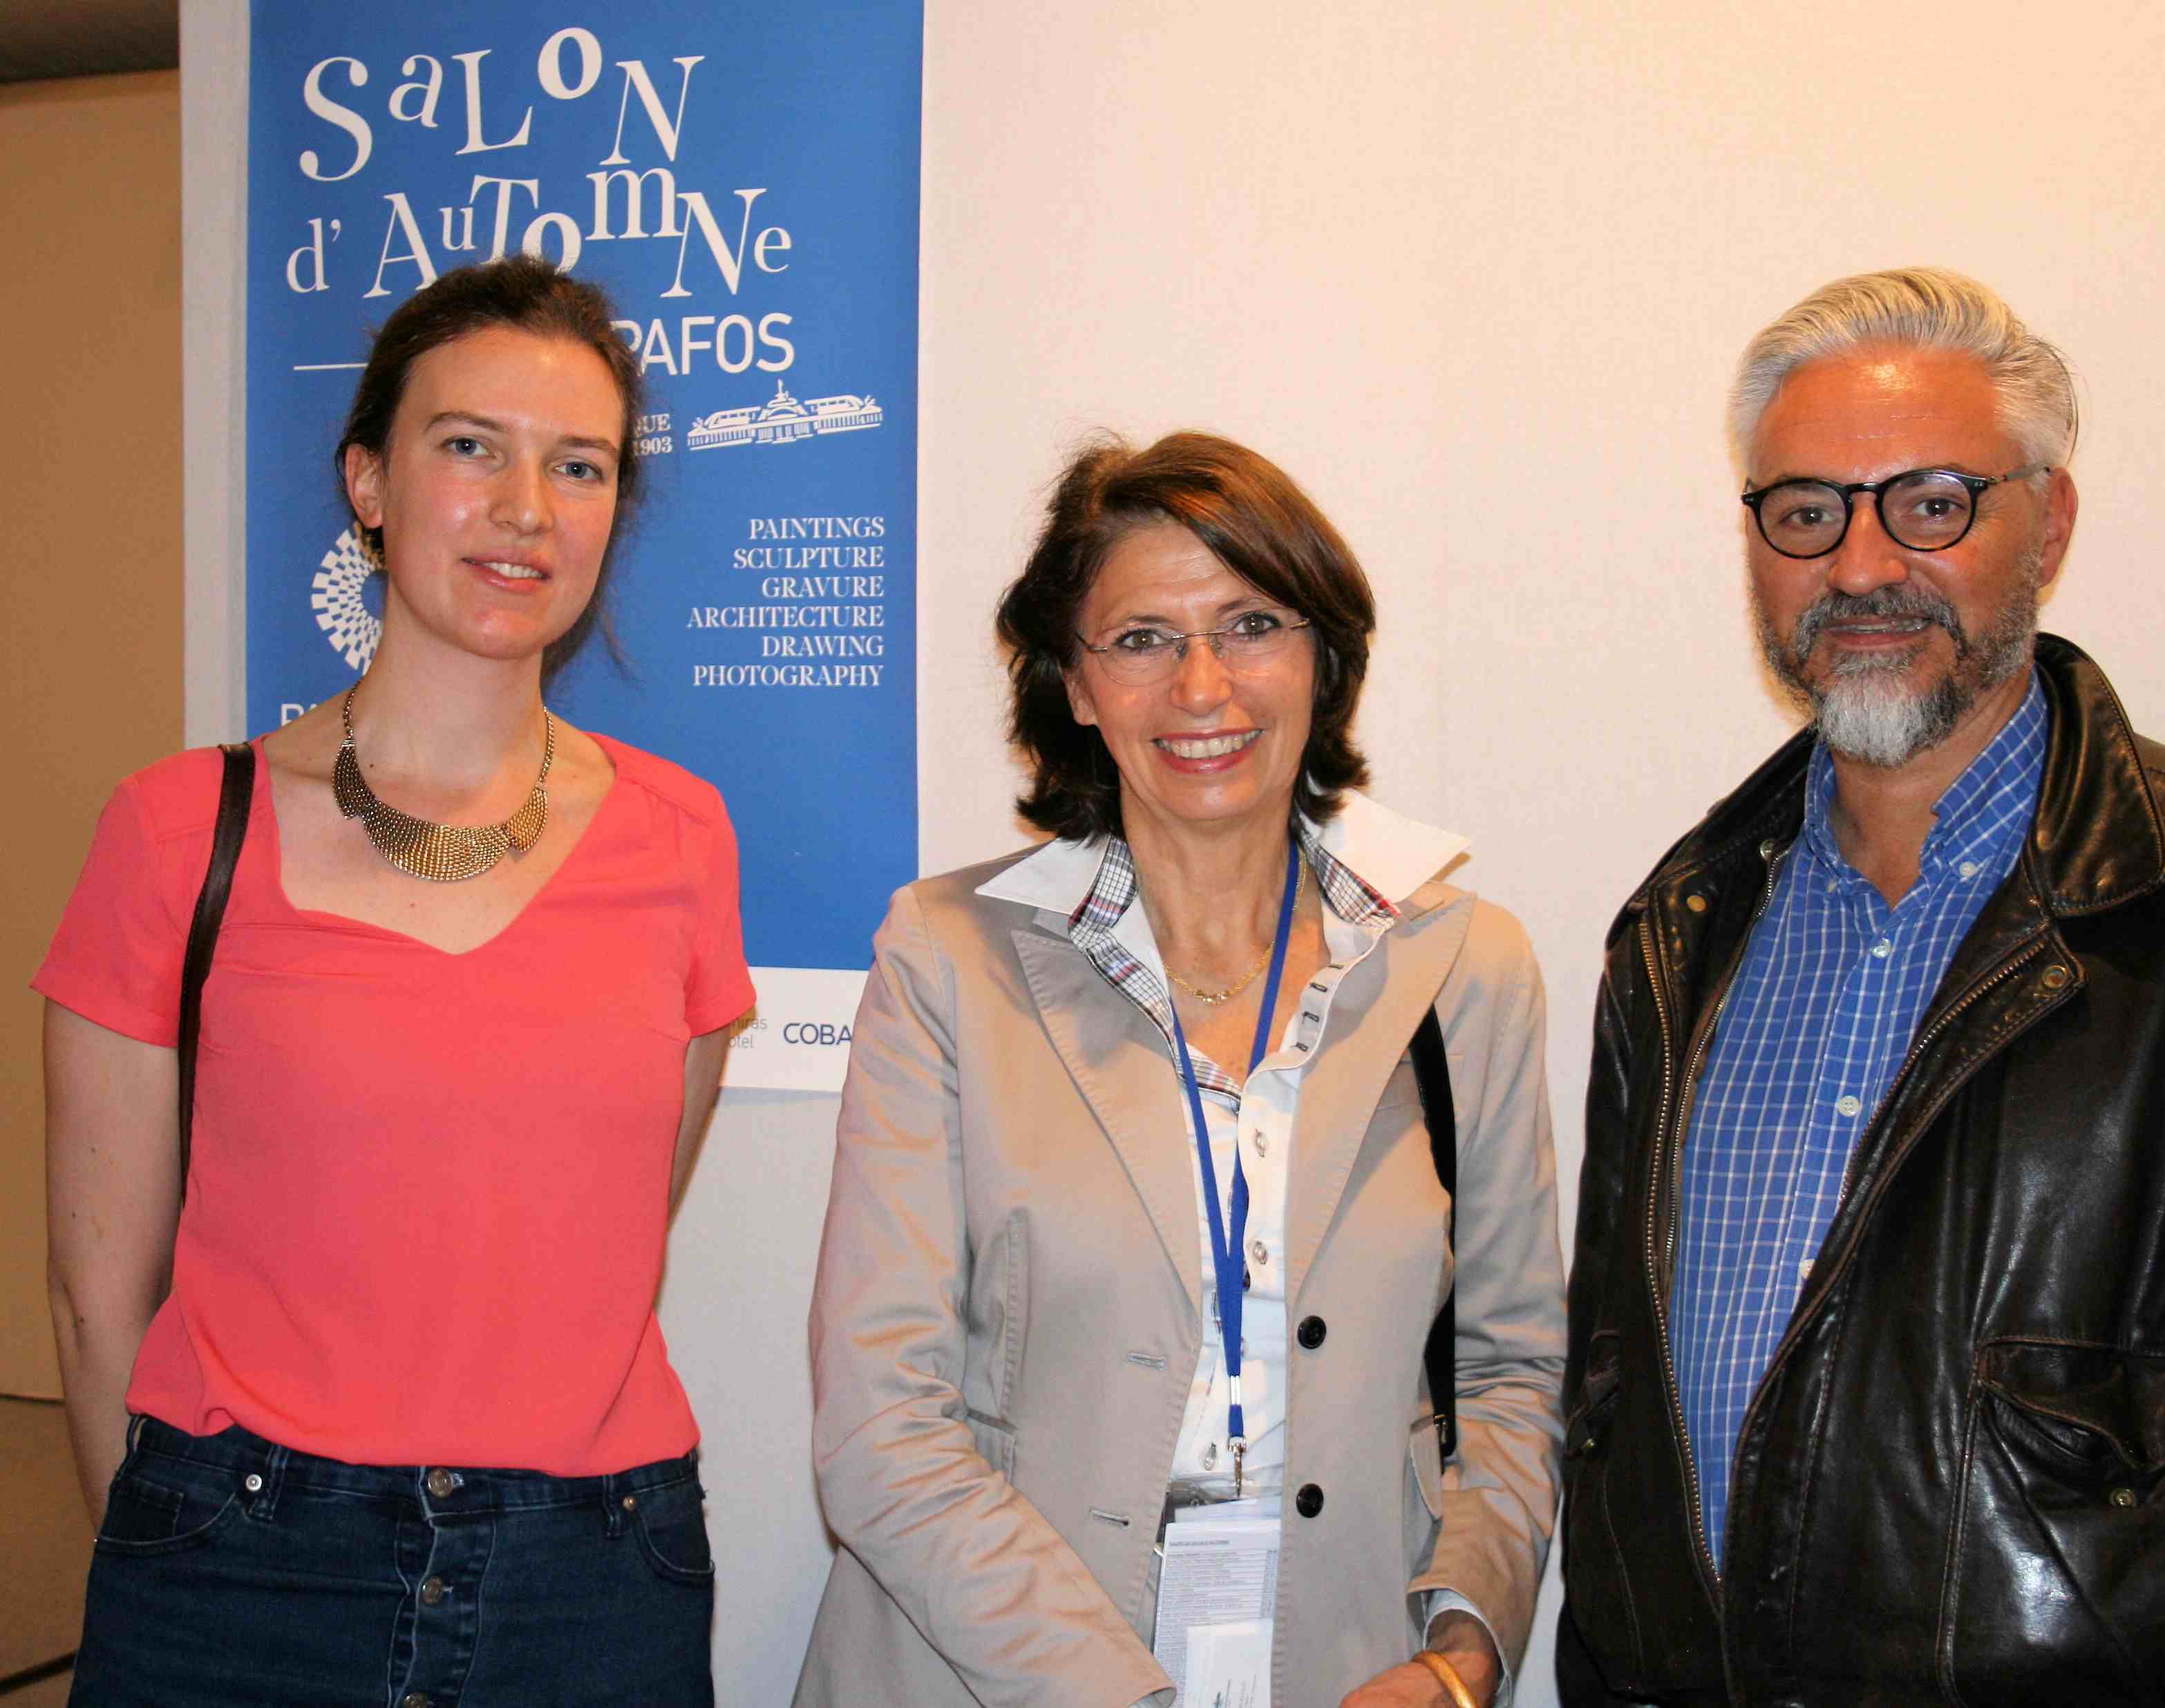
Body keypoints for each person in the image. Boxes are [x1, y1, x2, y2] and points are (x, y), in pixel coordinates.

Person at [1556, 265, 2165, 1704]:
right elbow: (1614, 1429)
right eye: (1805, 510)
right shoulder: (1676, 931)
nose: (1862, 565)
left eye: (1930, 503)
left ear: (2048, 524)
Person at [39, 255, 752, 1707]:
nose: (524, 509)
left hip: (591, 1581)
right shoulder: (178, 832)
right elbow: (95, 1295)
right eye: (468, 446)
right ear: (368, 480)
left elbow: (617, 1221)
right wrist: (174, 1554)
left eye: (579, 466)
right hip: (235, 1572)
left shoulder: (682, 837)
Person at [797, 432, 1564, 1708]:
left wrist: (1462, 1656)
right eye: (1143, 639)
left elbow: (1509, 1371)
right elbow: (883, 1426)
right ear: (1076, 686)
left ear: (1327, 659)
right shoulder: (947, 957)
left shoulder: (1460, 965)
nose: (1203, 686)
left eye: (1252, 624)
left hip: (1349, 1670)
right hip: (1002, 1679)